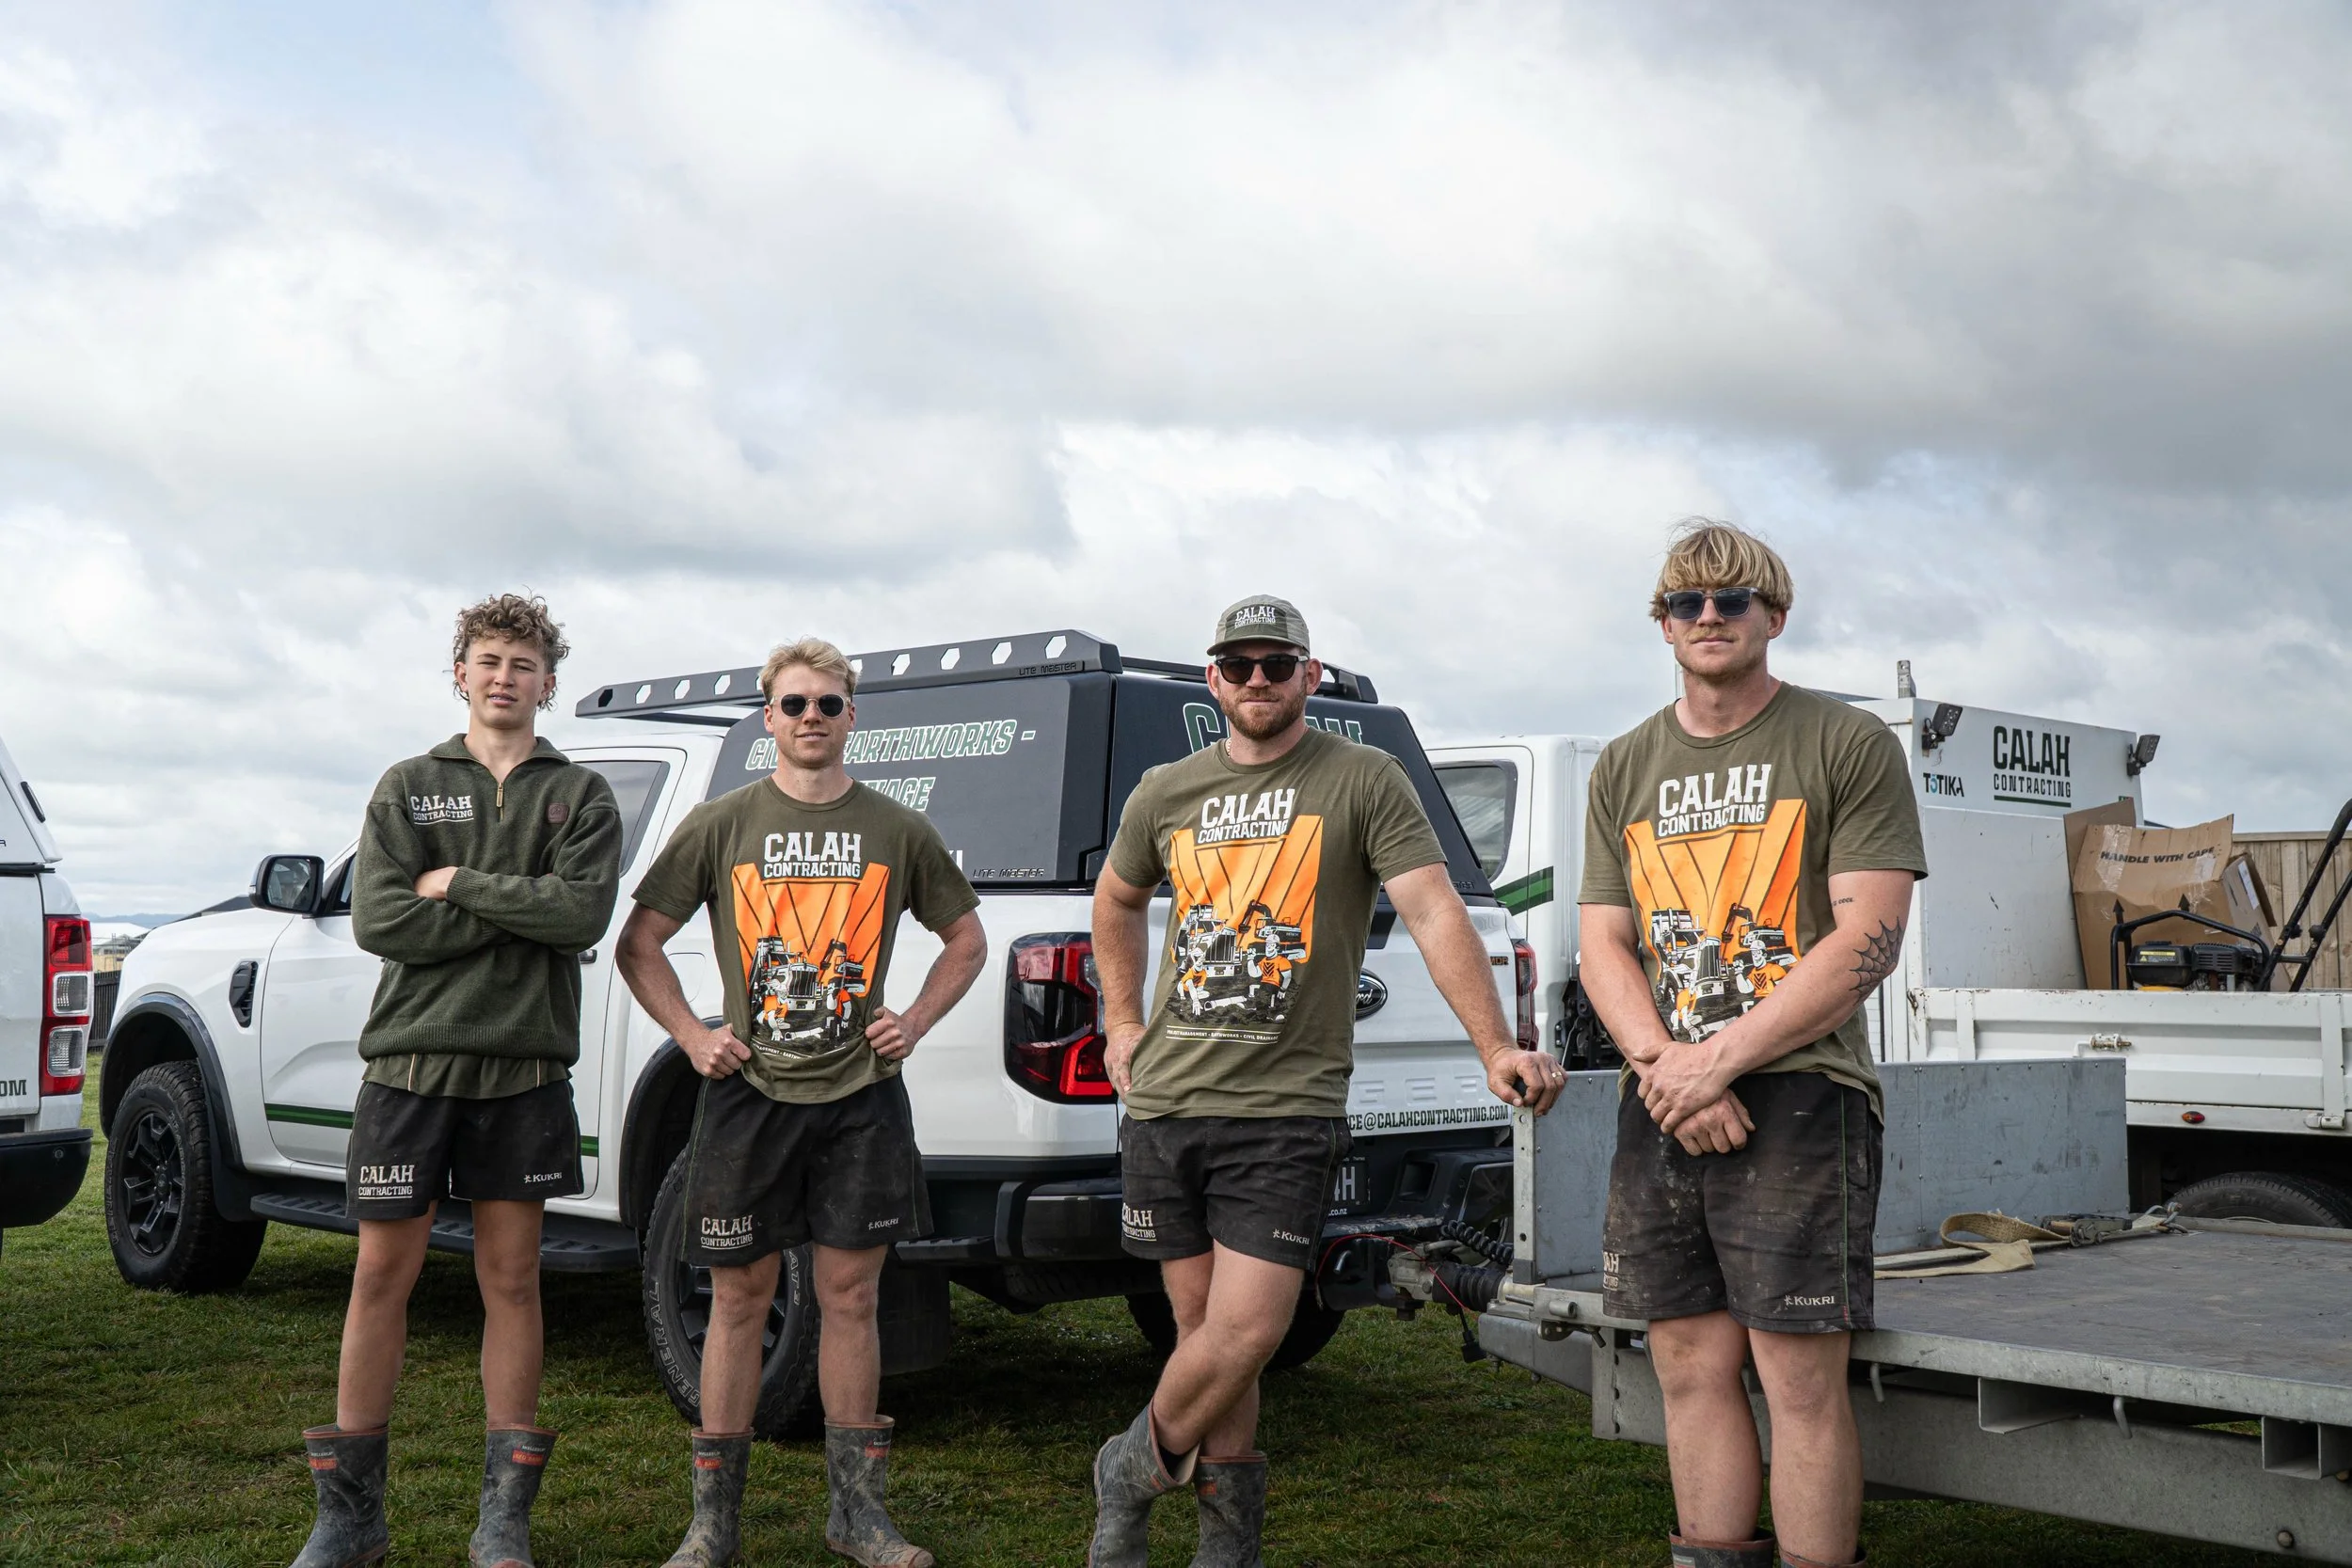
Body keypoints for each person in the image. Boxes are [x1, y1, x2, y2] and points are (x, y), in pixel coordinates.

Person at [1087, 595, 1567, 1568]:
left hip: (1285, 1108)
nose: (1256, 679)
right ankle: (1227, 1547)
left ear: (1309, 673)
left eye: (1276, 663)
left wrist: (1493, 1046)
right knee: (1201, 1331)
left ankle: (1128, 1466)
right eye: (1237, 664)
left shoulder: (1361, 778)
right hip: (1170, 1100)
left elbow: (1432, 908)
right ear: (1212, 678)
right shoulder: (1166, 789)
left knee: (1250, 1328)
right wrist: (1122, 1018)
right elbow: (1117, 896)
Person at [1577, 523, 1927, 1568]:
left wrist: (1717, 1060)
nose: (1711, 618)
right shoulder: (1625, 762)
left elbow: (1871, 935)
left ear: (1775, 614)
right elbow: (1603, 939)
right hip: (1664, 1096)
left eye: (1733, 601)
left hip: (1801, 1095)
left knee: (1799, 1379)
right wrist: (1663, 1065)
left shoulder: (1843, 742)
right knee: (1687, 1365)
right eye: (1688, 604)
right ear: (1663, 625)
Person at [617, 637, 987, 1568]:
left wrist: (916, 1017)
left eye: (828, 703)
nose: (811, 718)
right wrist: (694, 1036)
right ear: (767, 718)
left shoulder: (897, 828)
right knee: (738, 1295)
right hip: (747, 1099)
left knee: (850, 1294)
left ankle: (857, 1515)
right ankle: (713, 1523)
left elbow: (966, 939)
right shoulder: (722, 822)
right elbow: (640, 941)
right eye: (793, 704)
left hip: (861, 1098)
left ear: (851, 716)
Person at [294, 594, 623, 1568]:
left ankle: (502, 1520)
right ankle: (349, 1517)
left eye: (522, 663)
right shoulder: (409, 784)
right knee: (379, 1274)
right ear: (460, 672)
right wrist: (519, 908)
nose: (503, 677)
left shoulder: (581, 794)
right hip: (409, 1066)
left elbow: (580, 917)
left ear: (547, 682)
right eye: (487, 659)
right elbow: (381, 920)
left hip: (522, 1069)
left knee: (511, 1279)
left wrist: (463, 884)